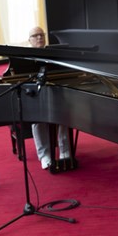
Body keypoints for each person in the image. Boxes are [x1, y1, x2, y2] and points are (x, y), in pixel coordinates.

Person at [28, 26, 71, 169]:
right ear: (30, 40)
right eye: (36, 35)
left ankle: (65, 151)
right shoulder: (25, 57)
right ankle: (44, 155)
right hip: (35, 95)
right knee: (37, 120)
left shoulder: (54, 54)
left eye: (41, 35)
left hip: (55, 92)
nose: (39, 37)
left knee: (65, 115)